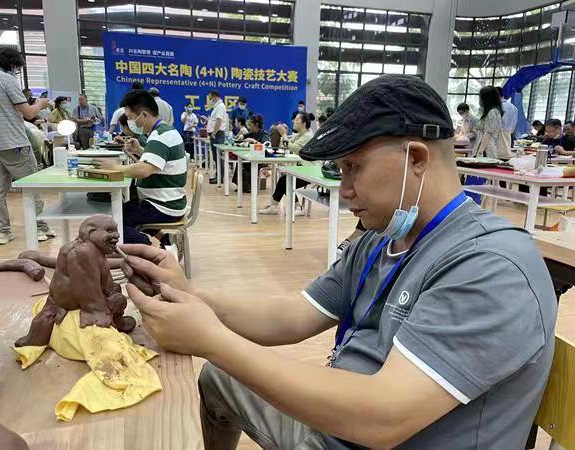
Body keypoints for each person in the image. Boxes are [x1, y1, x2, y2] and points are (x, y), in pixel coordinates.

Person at [122, 75, 557, 450]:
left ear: (417, 159)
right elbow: (293, 315)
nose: (344, 190)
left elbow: (385, 418)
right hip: (338, 426)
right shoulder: (381, 239)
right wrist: (190, 294)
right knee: (219, 378)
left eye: (353, 167)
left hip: (372, 427)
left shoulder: (492, 266)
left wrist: (213, 340)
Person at [0, 47, 53, 245]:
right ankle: (39, 228)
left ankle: (2, 232)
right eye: (17, 68)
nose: (16, 72)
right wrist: (41, 103)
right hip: (15, 143)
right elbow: (29, 113)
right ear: (11, 64)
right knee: (32, 186)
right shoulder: (7, 80)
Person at [93, 89, 187, 247]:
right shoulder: (164, 131)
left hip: (163, 205)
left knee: (114, 221)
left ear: (144, 115)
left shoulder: (160, 135)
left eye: (130, 118)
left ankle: (151, 252)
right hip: (167, 201)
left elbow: (145, 170)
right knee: (127, 210)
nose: (130, 122)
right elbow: (160, 161)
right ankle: (166, 241)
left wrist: (115, 167)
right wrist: (139, 151)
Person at [259, 112, 316, 215]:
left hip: (310, 170)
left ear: (303, 124)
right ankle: (275, 206)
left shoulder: (308, 136)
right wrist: (281, 132)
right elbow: (286, 144)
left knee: (285, 181)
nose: (294, 121)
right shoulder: (299, 135)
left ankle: (297, 208)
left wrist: (284, 134)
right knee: (284, 180)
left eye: (297, 119)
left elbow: (293, 147)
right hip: (301, 168)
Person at [234, 114, 269, 193]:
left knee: (246, 164)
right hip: (254, 157)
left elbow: (265, 147)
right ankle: (241, 185)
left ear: (256, 125)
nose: (249, 127)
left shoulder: (264, 134)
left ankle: (248, 186)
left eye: (250, 125)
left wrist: (254, 141)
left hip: (262, 159)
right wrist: (242, 136)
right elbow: (245, 135)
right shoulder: (253, 133)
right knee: (240, 162)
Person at [473, 86, 503, 158]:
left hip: (486, 149)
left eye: (480, 97)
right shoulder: (487, 111)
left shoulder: (493, 112)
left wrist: (480, 152)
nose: (479, 99)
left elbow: (488, 134)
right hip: (482, 146)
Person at [206, 90, 228, 185]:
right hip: (216, 134)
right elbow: (215, 120)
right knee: (216, 157)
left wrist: (213, 134)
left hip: (217, 134)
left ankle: (221, 177)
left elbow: (219, 122)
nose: (210, 100)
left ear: (215, 97)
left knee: (218, 157)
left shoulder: (220, 106)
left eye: (211, 98)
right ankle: (218, 176)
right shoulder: (217, 106)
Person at [496, 87, 518, 157]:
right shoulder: (513, 107)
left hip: (498, 137)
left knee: (497, 157)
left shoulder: (497, 107)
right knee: (506, 156)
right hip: (509, 136)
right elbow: (514, 126)